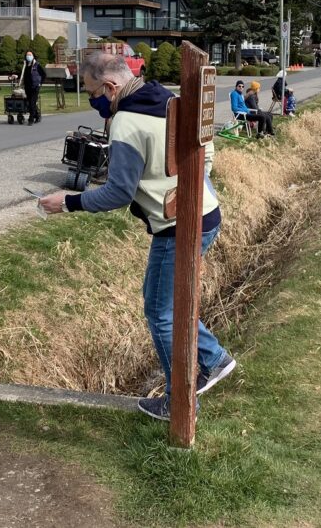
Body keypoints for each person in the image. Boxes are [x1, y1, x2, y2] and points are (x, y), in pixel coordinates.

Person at [38, 52, 236, 421]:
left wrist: (66, 202)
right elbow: (205, 153)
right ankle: (212, 359)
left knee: (159, 311)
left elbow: (117, 193)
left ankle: (182, 397)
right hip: (205, 211)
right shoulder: (168, 98)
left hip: (176, 224)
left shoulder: (126, 122)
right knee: (173, 304)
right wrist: (187, 187)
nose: (92, 100)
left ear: (111, 87)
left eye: (92, 91)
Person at [23, 51, 44, 125]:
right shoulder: (26, 65)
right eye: (27, 55)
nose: (28, 56)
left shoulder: (37, 65)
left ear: (33, 56)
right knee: (31, 104)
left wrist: (39, 84)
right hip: (27, 87)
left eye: (30, 55)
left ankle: (31, 119)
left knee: (32, 103)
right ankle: (37, 115)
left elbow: (43, 75)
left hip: (35, 87)